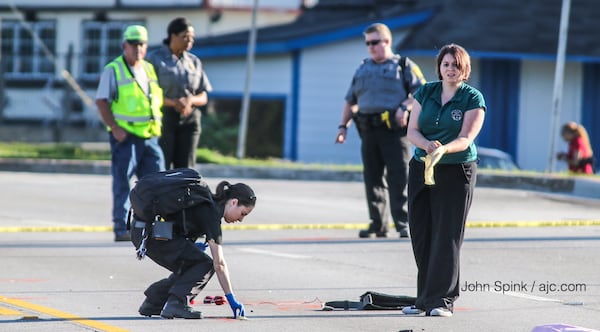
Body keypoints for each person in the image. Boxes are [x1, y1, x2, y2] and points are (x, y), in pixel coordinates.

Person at [402, 43, 486, 317]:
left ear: (465, 69)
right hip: (421, 166)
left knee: (446, 235)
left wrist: (442, 148)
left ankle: (442, 301)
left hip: (455, 169)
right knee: (421, 231)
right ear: (439, 67)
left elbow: (466, 138)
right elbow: (411, 130)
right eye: (446, 64)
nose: (451, 69)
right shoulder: (425, 92)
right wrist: (426, 145)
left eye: (456, 65)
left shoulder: (472, 98)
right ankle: (424, 299)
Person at [335, 22, 426, 239]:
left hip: (394, 131)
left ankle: (404, 223)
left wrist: (405, 106)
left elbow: (422, 92)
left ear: (387, 41)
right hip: (368, 130)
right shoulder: (363, 68)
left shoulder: (403, 65)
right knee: (372, 178)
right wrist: (342, 127)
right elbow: (350, 101)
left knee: (399, 177)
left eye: (375, 42)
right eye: (368, 43)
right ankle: (377, 223)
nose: (371, 47)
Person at [132, 180, 256, 319]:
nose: (241, 220)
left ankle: (154, 302)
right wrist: (231, 299)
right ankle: (177, 303)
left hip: (145, 231)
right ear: (234, 202)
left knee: (191, 265)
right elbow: (219, 264)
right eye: (243, 213)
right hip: (153, 235)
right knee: (206, 265)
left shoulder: (206, 203)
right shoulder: (212, 213)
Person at [95, 25, 165, 242]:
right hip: (126, 137)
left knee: (158, 182)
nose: (138, 48)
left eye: (141, 44)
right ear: (124, 45)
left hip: (149, 135)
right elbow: (101, 101)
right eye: (133, 44)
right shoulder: (113, 69)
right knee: (123, 182)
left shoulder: (149, 69)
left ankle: (154, 229)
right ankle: (121, 227)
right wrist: (115, 128)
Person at [147, 17, 212, 170]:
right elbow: (147, 92)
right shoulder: (155, 59)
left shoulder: (194, 61)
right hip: (165, 118)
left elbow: (204, 95)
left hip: (189, 118)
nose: (189, 40)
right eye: (185, 36)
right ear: (172, 36)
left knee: (187, 169)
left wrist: (190, 101)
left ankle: (184, 194)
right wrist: (174, 102)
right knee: (162, 165)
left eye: (192, 37)